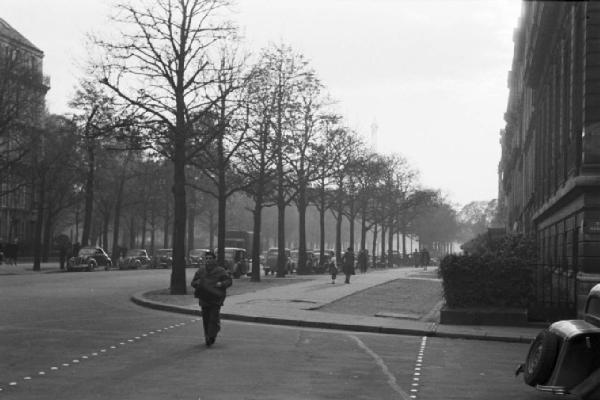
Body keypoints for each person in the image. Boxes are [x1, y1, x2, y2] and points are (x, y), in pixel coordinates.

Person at [191, 251, 232, 347]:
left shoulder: (220, 270)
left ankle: (212, 335)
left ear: (214, 259)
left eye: (210, 258)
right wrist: (198, 283)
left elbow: (229, 281)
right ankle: (207, 337)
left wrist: (221, 284)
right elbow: (193, 282)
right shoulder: (201, 271)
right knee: (206, 319)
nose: (208, 260)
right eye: (207, 258)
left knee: (213, 318)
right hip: (204, 298)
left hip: (215, 298)